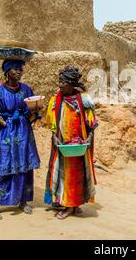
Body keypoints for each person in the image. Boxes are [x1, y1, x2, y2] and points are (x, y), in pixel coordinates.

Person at [0, 60, 41, 220]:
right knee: (1, 166)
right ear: (7, 72)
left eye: (20, 69)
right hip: (5, 134)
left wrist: (35, 111)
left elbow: (31, 115)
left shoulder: (26, 89)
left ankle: (23, 201)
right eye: (15, 69)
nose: (19, 72)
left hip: (23, 133)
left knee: (25, 165)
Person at [44, 66, 98, 220]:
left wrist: (89, 139)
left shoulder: (84, 99)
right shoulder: (56, 100)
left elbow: (92, 123)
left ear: (70, 84)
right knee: (65, 174)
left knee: (78, 174)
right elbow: (52, 123)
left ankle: (74, 204)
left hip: (79, 145)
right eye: (59, 81)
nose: (59, 85)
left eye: (62, 82)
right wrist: (54, 136)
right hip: (62, 144)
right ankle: (67, 205)